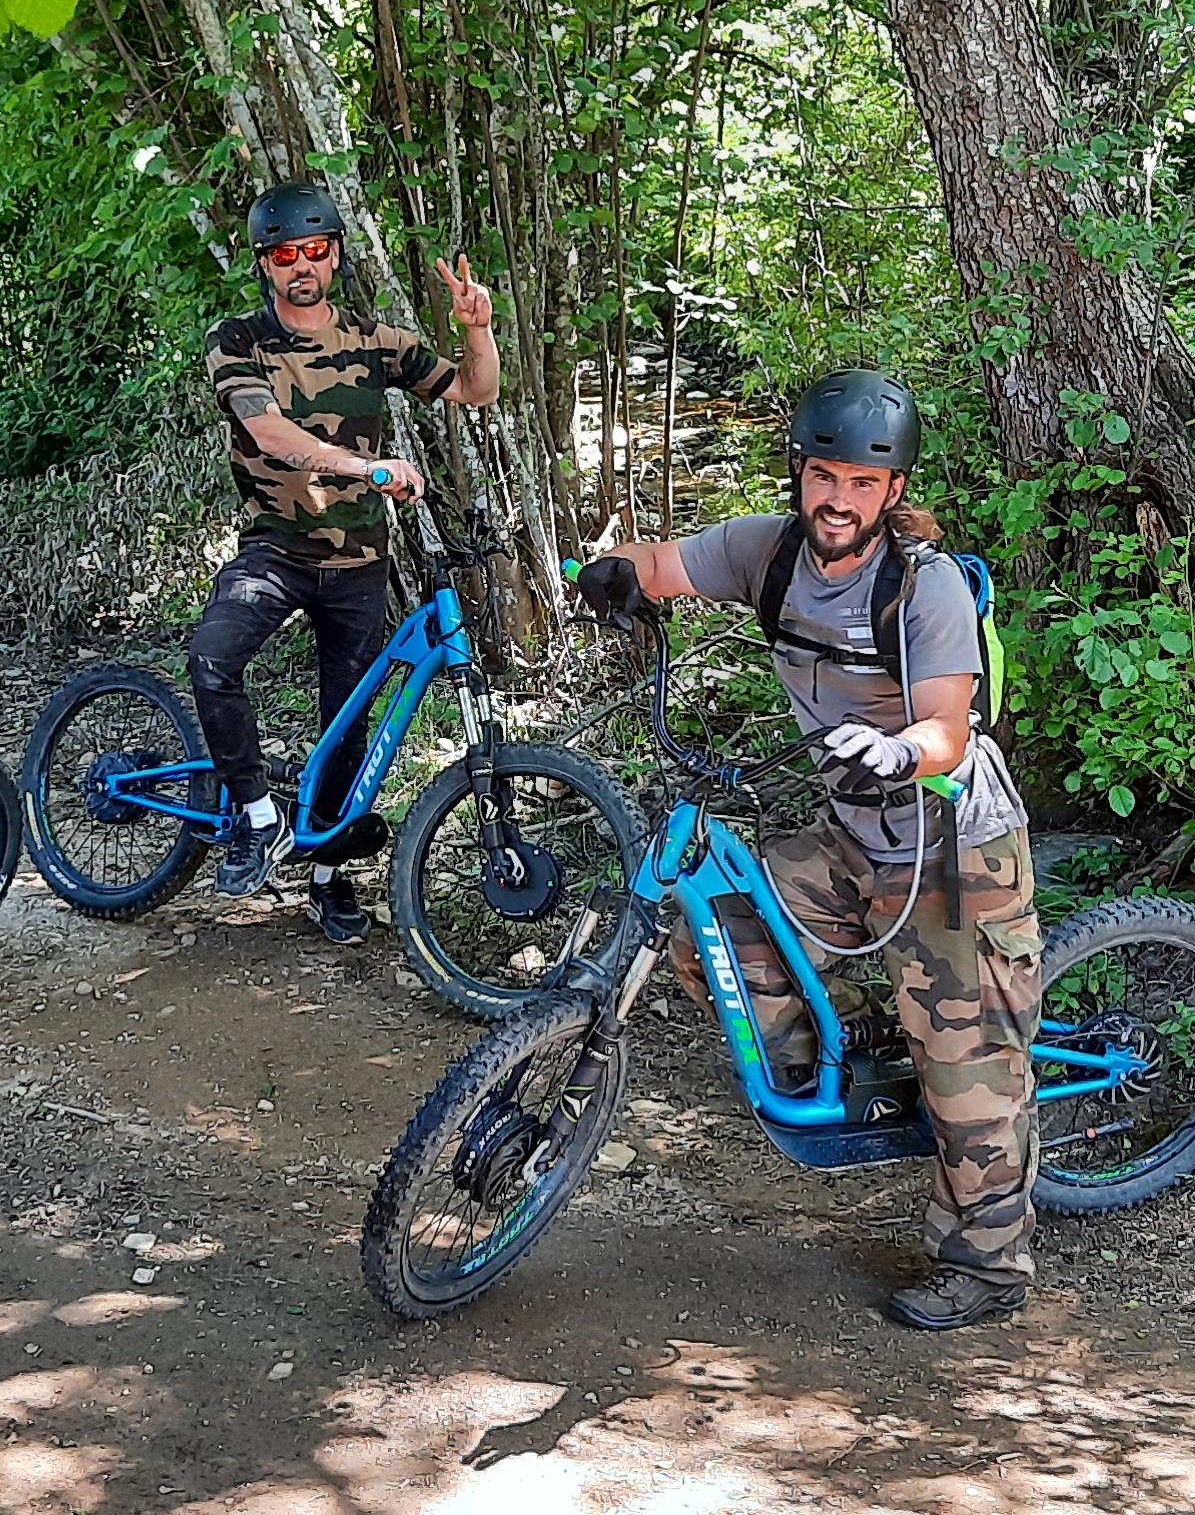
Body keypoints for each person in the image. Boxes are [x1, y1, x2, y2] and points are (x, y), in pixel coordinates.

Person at [570, 370, 1042, 1331]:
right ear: (799, 473)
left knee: (970, 1077)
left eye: (862, 484)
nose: (838, 499)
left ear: (893, 491)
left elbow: (949, 726)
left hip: (952, 851)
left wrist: (902, 750)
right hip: (851, 836)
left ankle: (990, 1267)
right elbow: (662, 564)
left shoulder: (925, 586)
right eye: (824, 476)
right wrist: (614, 572)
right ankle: (866, 1051)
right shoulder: (769, 551)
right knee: (715, 933)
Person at [192, 182, 501, 935]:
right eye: (284, 254)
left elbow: (476, 389)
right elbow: (268, 433)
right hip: (275, 550)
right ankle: (256, 815)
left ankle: (327, 875)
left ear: (335, 255)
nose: (302, 265)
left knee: (349, 721)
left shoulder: (375, 340)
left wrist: (479, 329)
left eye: (315, 249)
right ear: (264, 264)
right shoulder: (238, 340)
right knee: (212, 660)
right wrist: (366, 467)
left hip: (359, 561)